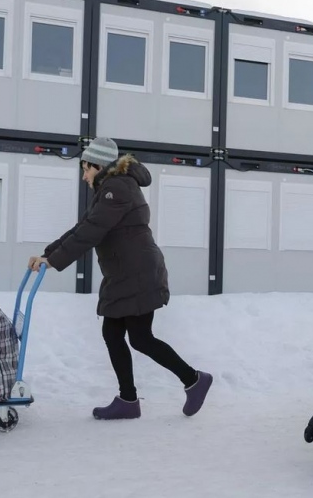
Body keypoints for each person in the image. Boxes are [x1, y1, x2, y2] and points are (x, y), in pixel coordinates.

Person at [28, 137, 212, 420]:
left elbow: (91, 231)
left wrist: (52, 261)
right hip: (127, 273)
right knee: (114, 333)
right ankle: (129, 400)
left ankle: (194, 380)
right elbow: (85, 226)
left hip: (137, 274)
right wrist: (47, 254)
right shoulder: (111, 188)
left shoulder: (116, 188)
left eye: (86, 168)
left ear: (99, 165)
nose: (84, 175)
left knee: (140, 338)